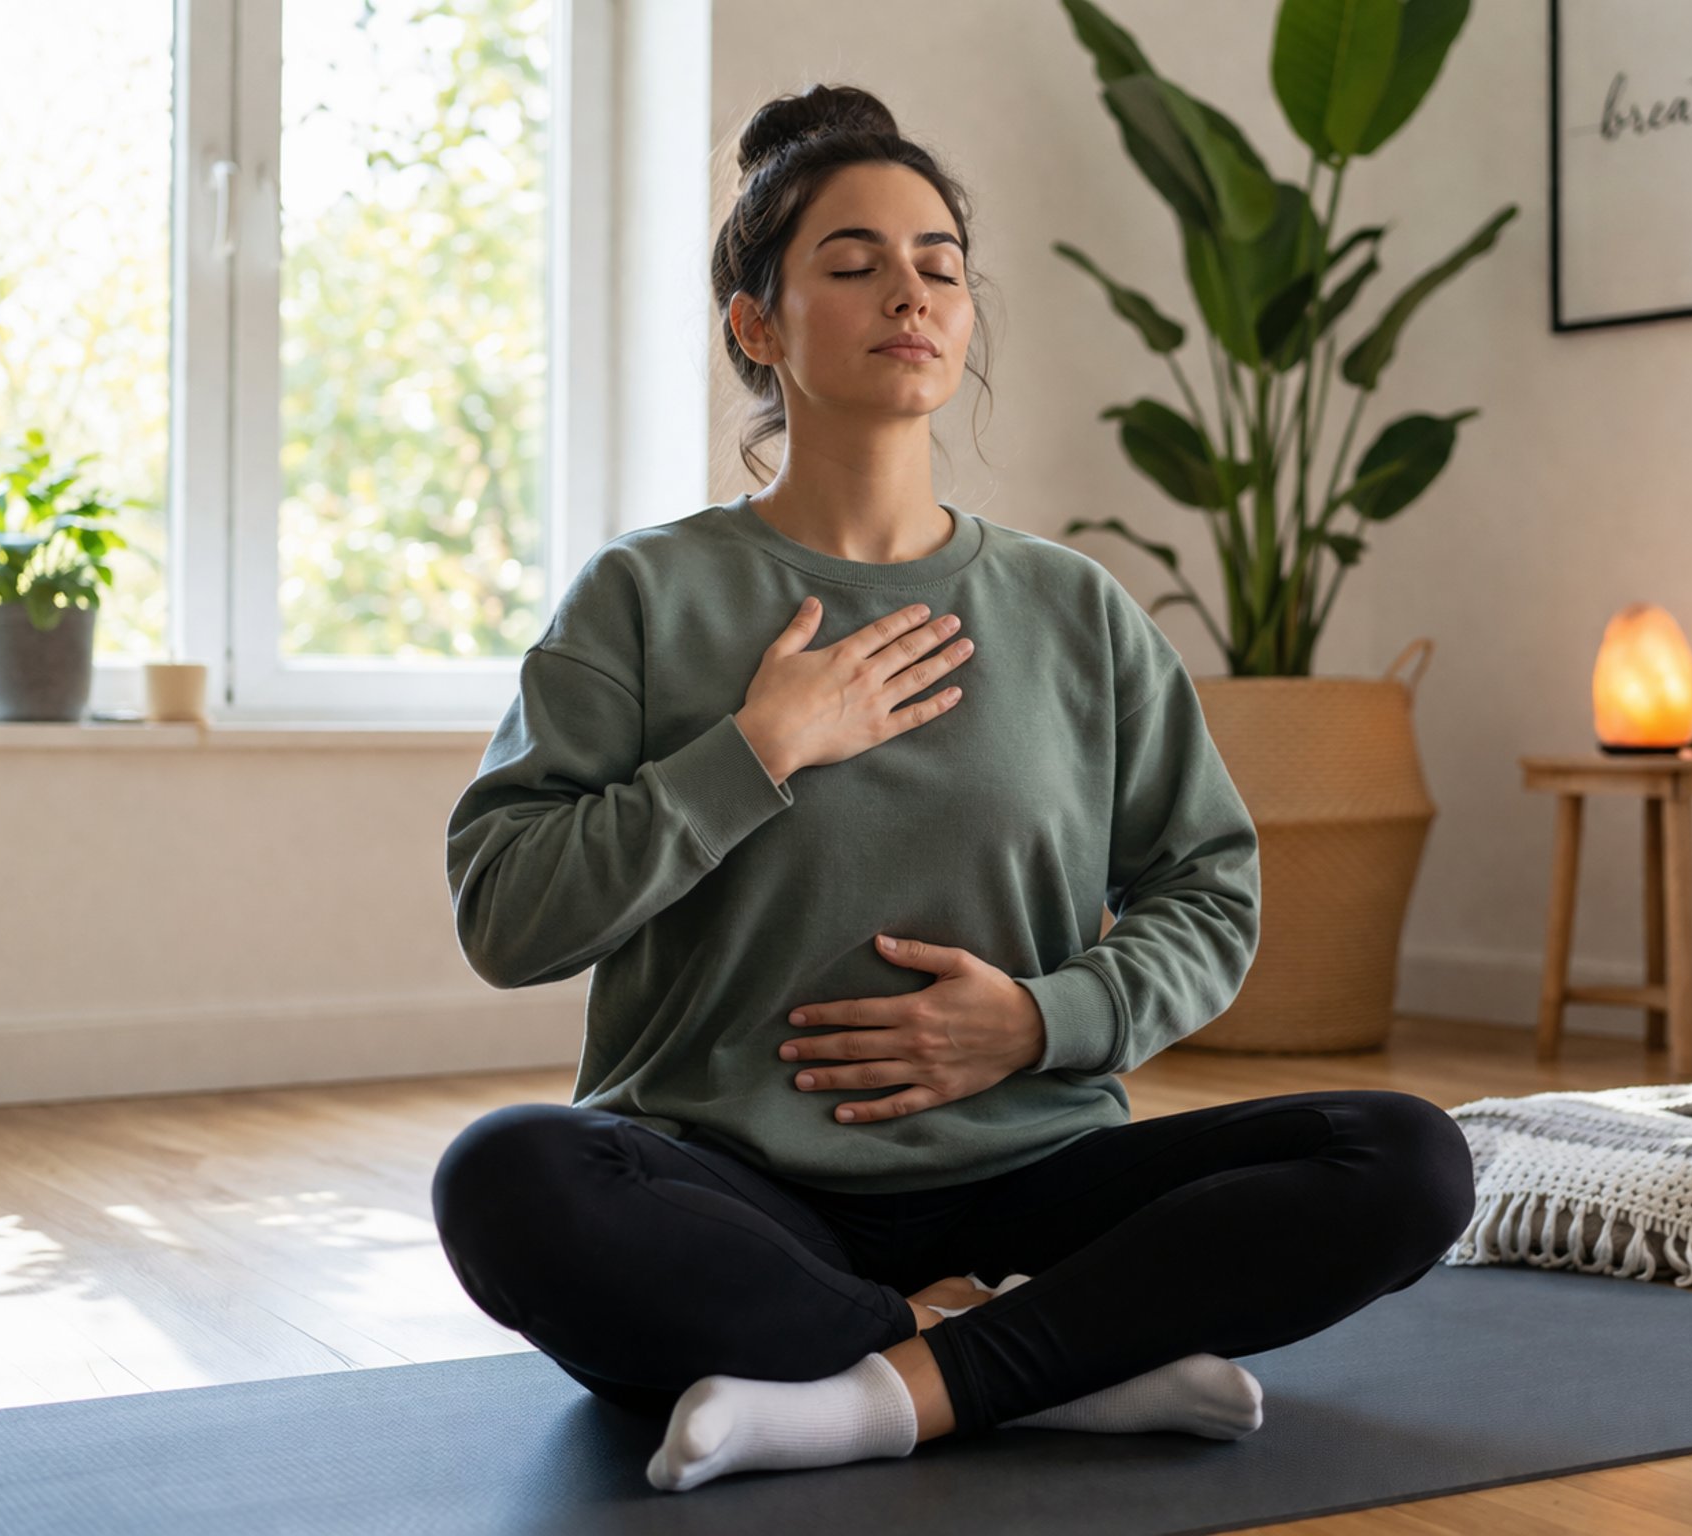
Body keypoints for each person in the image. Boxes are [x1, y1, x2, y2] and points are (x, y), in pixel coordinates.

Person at [432, 82, 1478, 1496]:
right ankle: (1034, 1368)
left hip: (1033, 1178)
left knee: (1405, 1156)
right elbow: (507, 916)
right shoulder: (645, 596)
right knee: (508, 1179)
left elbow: (1210, 891)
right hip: (734, 1184)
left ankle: (875, 1388)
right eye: (853, 266)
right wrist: (752, 754)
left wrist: (1042, 1022)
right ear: (759, 324)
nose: (908, 295)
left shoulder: (1074, 610)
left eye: (938, 266)